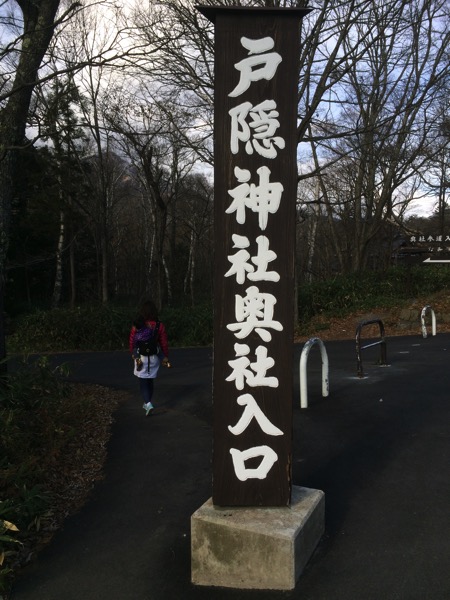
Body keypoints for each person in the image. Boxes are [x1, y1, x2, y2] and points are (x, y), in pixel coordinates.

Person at [129, 301, 170, 416]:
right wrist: (165, 356)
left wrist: (133, 353)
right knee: (150, 380)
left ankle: (148, 403)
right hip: (154, 356)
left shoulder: (138, 324)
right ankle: (148, 403)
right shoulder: (159, 325)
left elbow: (132, 340)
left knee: (143, 382)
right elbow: (163, 342)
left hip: (141, 356)